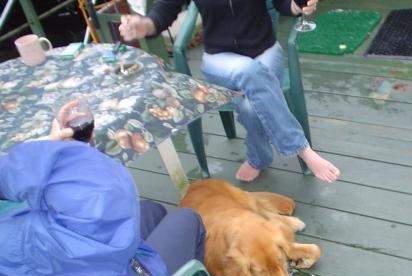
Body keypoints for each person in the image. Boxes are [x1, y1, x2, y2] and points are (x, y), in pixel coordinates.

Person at [0, 126, 215, 276]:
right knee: (187, 218)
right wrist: (50, 153)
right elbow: (105, 194)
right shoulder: (23, 242)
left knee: (151, 210)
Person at [119, 0, 341, 183]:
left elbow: (284, 4)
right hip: (220, 60)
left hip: (265, 52)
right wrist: (144, 25)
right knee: (250, 72)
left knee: (250, 106)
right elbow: (163, 12)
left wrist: (299, 5)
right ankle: (302, 149)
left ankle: (258, 158)